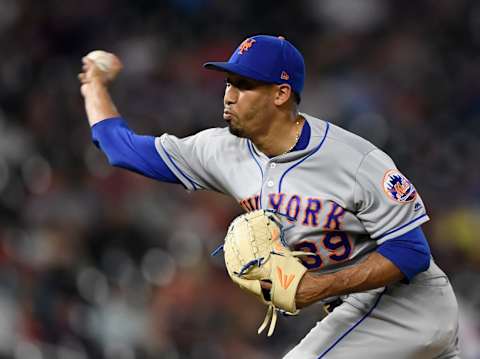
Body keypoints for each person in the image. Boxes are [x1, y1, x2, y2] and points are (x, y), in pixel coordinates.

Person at [79, 35, 460, 358]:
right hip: (362, 319)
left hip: (406, 305)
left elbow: (412, 253)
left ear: (281, 94)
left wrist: (316, 288)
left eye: (244, 85)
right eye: (228, 82)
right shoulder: (220, 150)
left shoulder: (355, 160)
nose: (228, 95)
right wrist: (93, 87)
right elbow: (121, 149)